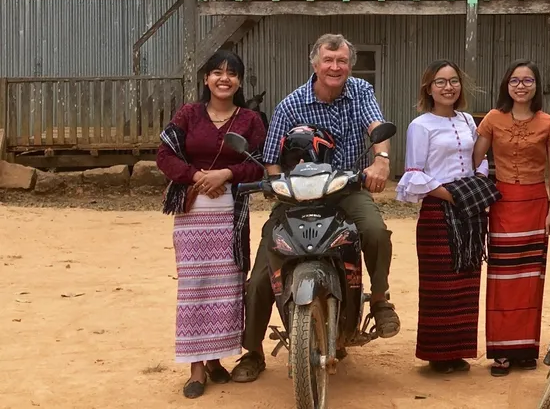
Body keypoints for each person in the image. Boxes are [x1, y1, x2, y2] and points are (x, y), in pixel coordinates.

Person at [230, 34, 398, 383]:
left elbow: (376, 128)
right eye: (328, 60)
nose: (335, 67)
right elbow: (272, 159)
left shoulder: (360, 92)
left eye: (342, 61)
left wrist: (381, 160)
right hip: (298, 195)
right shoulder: (292, 104)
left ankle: (380, 299)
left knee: (375, 231)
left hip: (346, 187)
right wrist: (278, 188)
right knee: (262, 273)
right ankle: (252, 351)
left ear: (349, 65)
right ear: (315, 63)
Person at [156, 50, 266, 398]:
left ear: (239, 81)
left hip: (231, 216)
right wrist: (196, 175)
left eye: (232, 73)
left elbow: (262, 164)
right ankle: (196, 369)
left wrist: (228, 172)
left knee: (228, 287)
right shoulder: (189, 114)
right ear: (206, 79)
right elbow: (165, 155)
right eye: (217, 72)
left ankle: (217, 359)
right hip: (192, 213)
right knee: (195, 287)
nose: (224, 78)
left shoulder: (250, 120)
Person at [472, 60, 550, 377]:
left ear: (537, 86)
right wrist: (479, 194)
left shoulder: (549, 123)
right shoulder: (492, 119)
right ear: (506, 86)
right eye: (515, 80)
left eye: (527, 80)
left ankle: (525, 349)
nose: (521, 86)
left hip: (537, 205)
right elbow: (476, 158)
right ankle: (500, 352)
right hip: (501, 204)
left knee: (530, 279)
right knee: (501, 278)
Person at [397, 60, 490, 373]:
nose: (448, 87)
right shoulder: (420, 126)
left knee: (466, 281)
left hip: (470, 211)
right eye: (440, 82)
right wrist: (454, 197)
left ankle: (459, 350)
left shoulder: (467, 120)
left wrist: (476, 185)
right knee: (441, 286)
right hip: (439, 212)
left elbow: (481, 158)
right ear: (429, 88)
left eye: (453, 81)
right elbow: (413, 173)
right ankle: (438, 354)